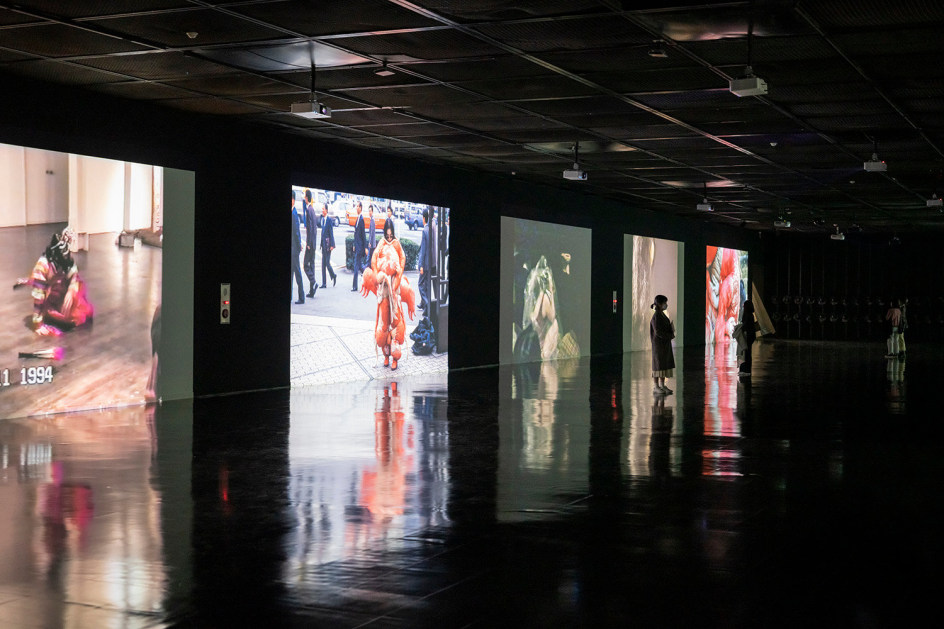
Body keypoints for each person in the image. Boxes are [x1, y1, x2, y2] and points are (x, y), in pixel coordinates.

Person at [360, 223, 416, 370]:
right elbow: (374, 260)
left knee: (397, 321)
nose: (389, 237)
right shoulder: (381, 244)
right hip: (384, 288)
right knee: (384, 322)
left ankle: (395, 357)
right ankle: (386, 355)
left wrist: (398, 273)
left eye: (391, 235)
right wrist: (378, 273)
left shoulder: (397, 244)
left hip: (394, 288)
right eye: (387, 235)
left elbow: (402, 260)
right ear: (385, 233)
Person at [21, 226, 94, 336]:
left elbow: (74, 273)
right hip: (50, 296)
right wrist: (38, 325)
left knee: (79, 301)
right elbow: (38, 297)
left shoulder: (65, 259)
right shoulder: (42, 266)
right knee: (64, 318)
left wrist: (71, 290)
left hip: (60, 292)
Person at [649, 294, 676, 395]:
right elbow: (658, 332)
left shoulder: (662, 315)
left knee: (663, 365)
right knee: (658, 365)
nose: (666, 305)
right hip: (659, 345)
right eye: (665, 303)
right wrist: (669, 335)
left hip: (664, 344)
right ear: (660, 304)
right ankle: (656, 386)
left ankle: (662, 385)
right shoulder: (656, 316)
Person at [303, 189, 318, 298]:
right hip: (313, 243)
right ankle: (312, 291)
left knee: (305, 265)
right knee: (311, 266)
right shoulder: (312, 210)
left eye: (304, 196)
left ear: (307, 198)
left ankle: (314, 282)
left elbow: (310, 228)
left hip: (310, 243)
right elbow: (315, 228)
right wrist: (313, 243)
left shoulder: (309, 210)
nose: (304, 198)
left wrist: (308, 243)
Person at [291, 192, 305, 304]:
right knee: (291, 273)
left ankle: (302, 297)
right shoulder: (293, 213)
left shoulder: (294, 214)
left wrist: (299, 245)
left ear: (293, 200)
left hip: (294, 250)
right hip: (294, 248)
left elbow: (296, 232)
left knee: (297, 273)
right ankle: (290, 295)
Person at [417, 208, 431, 314]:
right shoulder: (430, 229)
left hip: (424, 264)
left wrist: (421, 265)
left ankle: (426, 303)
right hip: (429, 263)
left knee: (420, 284)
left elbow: (423, 250)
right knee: (425, 285)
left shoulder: (424, 230)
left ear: (423, 218)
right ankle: (426, 309)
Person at [319, 203, 337, 288]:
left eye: (323, 209)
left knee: (327, 263)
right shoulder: (322, 219)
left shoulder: (329, 220)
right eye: (322, 209)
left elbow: (331, 233)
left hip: (328, 245)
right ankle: (324, 283)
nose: (322, 210)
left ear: (326, 210)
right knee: (323, 264)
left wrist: (332, 245)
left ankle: (333, 275)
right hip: (323, 245)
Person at [737, 299, 756, 377]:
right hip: (751, 335)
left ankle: (747, 369)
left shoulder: (747, 315)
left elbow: (745, 325)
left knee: (747, 353)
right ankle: (747, 369)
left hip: (748, 335)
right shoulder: (750, 314)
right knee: (748, 352)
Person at [352, 200, 368, 292]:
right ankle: (368, 276)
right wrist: (354, 244)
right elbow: (356, 234)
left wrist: (365, 247)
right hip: (357, 246)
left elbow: (363, 234)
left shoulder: (361, 220)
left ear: (361, 208)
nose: (356, 208)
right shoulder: (358, 218)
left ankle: (355, 286)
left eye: (358, 206)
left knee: (356, 266)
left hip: (360, 247)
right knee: (360, 267)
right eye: (356, 206)